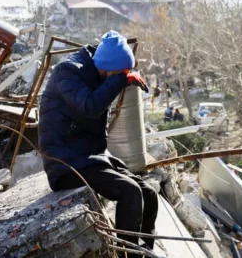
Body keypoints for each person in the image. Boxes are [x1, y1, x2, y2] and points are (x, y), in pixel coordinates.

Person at [38, 30, 158, 255]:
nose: (122, 76)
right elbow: (90, 106)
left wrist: (119, 78)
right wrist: (121, 80)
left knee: (149, 193)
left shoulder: (97, 71)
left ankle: (142, 253)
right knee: (130, 191)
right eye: (119, 73)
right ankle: (125, 254)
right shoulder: (68, 72)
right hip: (65, 162)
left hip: (91, 156)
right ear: (106, 67)